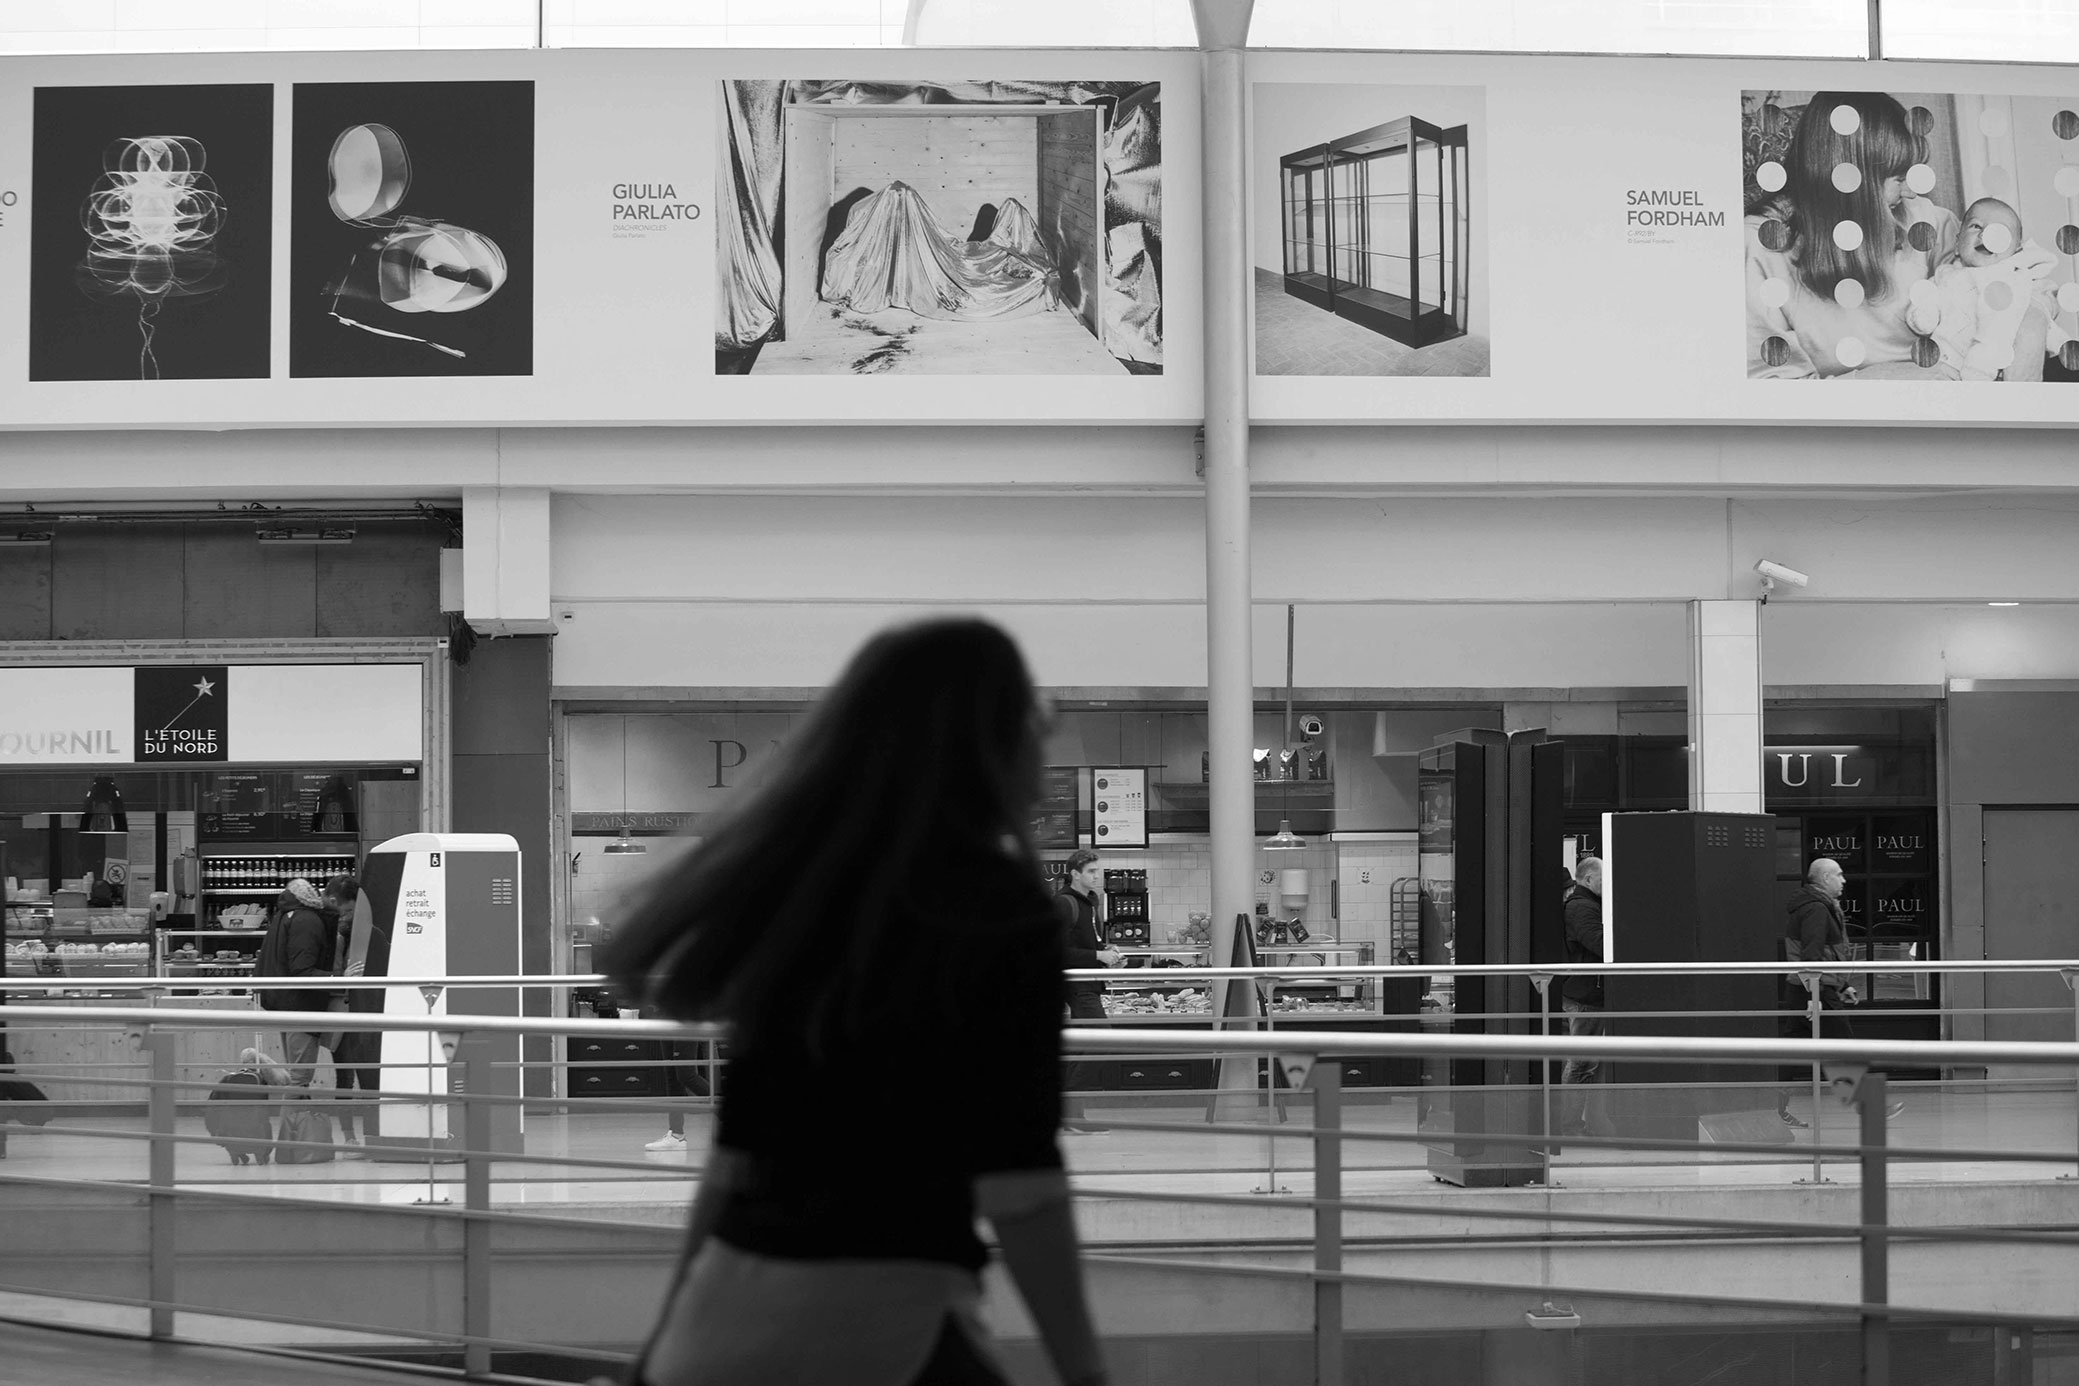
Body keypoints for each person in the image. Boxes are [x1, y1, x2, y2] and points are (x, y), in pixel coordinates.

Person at [606, 617, 1108, 1386]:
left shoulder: (796, 891)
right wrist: (1087, 1375)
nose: (1044, 754)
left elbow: (734, 1165)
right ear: (992, 742)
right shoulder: (1001, 910)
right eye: (1034, 724)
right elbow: (1023, 1189)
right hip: (885, 1327)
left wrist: (655, 1354)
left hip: (719, 1323)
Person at [1744, 90, 2049, 381]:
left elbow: (2016, 275)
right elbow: (1769, 391)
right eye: (1899, 178)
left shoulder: (1924, 220)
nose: (1911, 191)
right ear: (1849, 180)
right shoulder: (1761, 246)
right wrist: (1874, 383)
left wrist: (2032, 323)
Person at [1782, 857, 1904, 1123]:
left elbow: (1824, 955)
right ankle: (1870, 1106)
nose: (1844, 880)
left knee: (1791, 1051)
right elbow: (1811, 955)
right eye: (1839, 875)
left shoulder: (1816, 906)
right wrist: (1814, 996)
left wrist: (1843, 984)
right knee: (1843, 1047)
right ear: (1825, 879)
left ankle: (1773, 1108)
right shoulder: (1816, 909)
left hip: (1810, 988)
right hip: (1814, 990)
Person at [1909, 196, 2062, 379]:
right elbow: (1928, 299)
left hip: (1995, 371)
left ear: (2016, 251)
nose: (1985, 236)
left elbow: (1999, 329)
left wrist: (1979, 371)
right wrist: (1924, 313)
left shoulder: (2013, 278)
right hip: (1944, 368)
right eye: (1976, 226)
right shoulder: (1946, 274)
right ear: (1957, 244)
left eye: (2000, 232)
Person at [254, 877, 340, 1094]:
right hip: (301, 1004)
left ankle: (294, 1124)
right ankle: (296, 1126)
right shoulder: (307, 920)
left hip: (285, 1002)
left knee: (296, 1077)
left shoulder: (284, 915)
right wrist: (337, 976)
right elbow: (302, 970)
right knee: (299, 1080)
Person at [1057, 848, 1121, 1134]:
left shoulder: (1089, 903)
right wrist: (1097, 957)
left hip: (1089, 984)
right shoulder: (1064, 903)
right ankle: (1068, 1111)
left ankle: (1070, 1114)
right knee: (1103, 1041)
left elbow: (1086, 944)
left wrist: (1106, 952)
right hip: (1077, 986)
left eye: (1097, 870)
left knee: (1088, 1045)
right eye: (1091, 872)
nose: (1098, 876)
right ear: (1075, 874)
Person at [325, 872, 384, 1150]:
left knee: (364, 1078)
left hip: (361, 1014)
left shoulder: (372, 936)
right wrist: (342, 978)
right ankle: (350, 1136)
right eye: (345, 911)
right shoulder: (330, 936)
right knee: (348, 1079)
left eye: (351, 911)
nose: (347, 916)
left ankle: (371, 1134)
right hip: (346, 1014)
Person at [1558, 857, 1614, 1139]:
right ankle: (1568, 1124)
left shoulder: (1585, 906)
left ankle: (1576, 1122)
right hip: (1586, 994)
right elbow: (1601, 944)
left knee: (1582, 1061)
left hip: (1583, 991)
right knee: (1582, 1062)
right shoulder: (1582, 908)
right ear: (1589, 880)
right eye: (1604, 879)